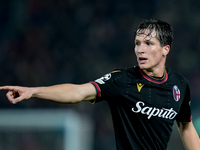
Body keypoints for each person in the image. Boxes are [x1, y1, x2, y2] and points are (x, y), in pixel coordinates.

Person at [0, 19, 199, 150]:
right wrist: (34, 91)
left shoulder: (179, 84)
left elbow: (186, 127)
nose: (140, 50)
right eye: (137, 43)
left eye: (148, 44)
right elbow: (78, 92)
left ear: (165, 49)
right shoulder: (122, 80)